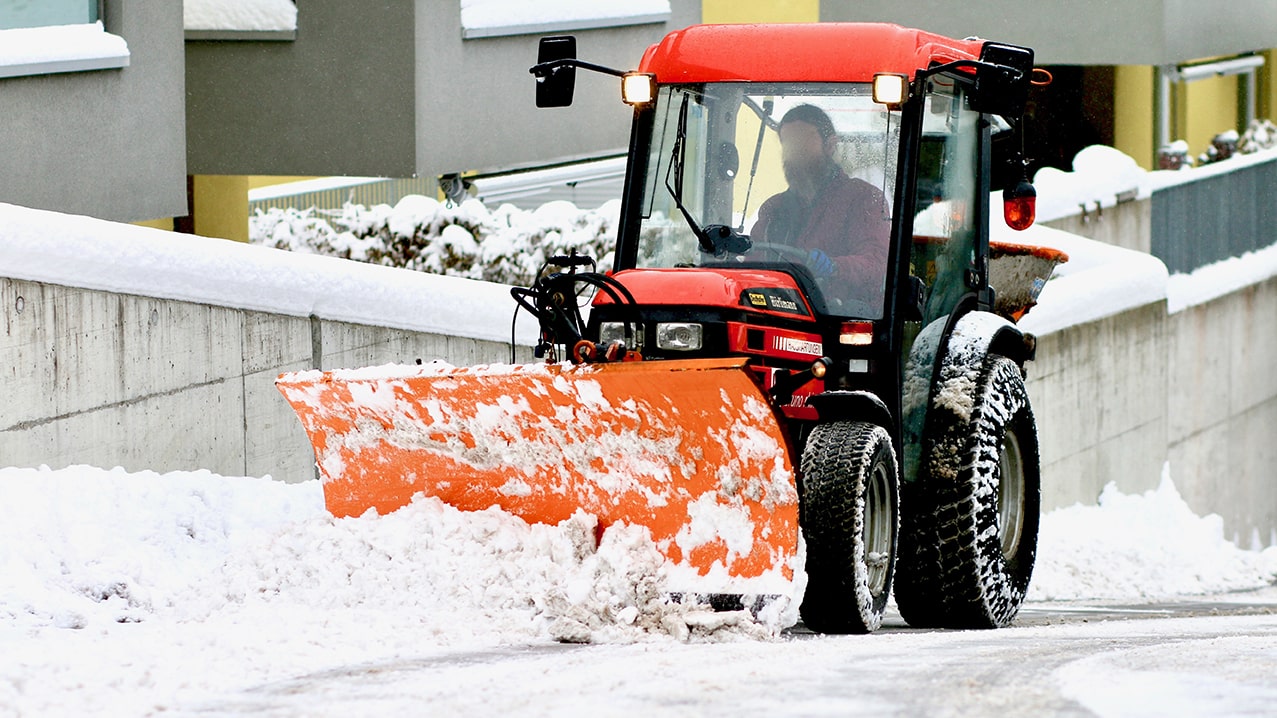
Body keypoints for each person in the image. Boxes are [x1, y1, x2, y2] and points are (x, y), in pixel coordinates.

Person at [750, 104, 891, 308]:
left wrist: (834, 266)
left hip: (840, 318)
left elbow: (876, 263)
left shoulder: (863, 198)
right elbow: (754, 259)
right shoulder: (774, 208)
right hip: (781, 314)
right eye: (788, 144)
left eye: (803, 143)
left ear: (830, 145)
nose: (794, 154)